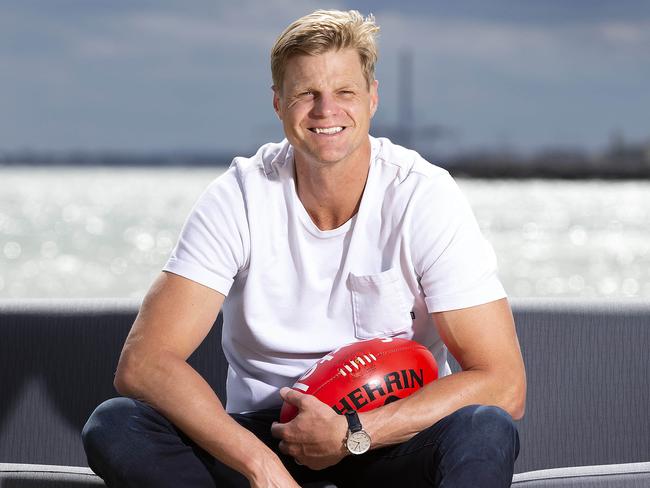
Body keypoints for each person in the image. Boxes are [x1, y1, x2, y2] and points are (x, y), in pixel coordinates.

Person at [82, 9, 526, 488]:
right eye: (305, 94)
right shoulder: (240, 196)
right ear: (278, 103)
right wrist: (263, 468)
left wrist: (354, 432)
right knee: (117, 424)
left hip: (389, 437)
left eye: (345, 92)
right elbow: (144, 362)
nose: (325, 110)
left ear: (373, 98)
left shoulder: (423, 196)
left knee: (486, 426)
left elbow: (504, 382)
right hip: (266, 435)